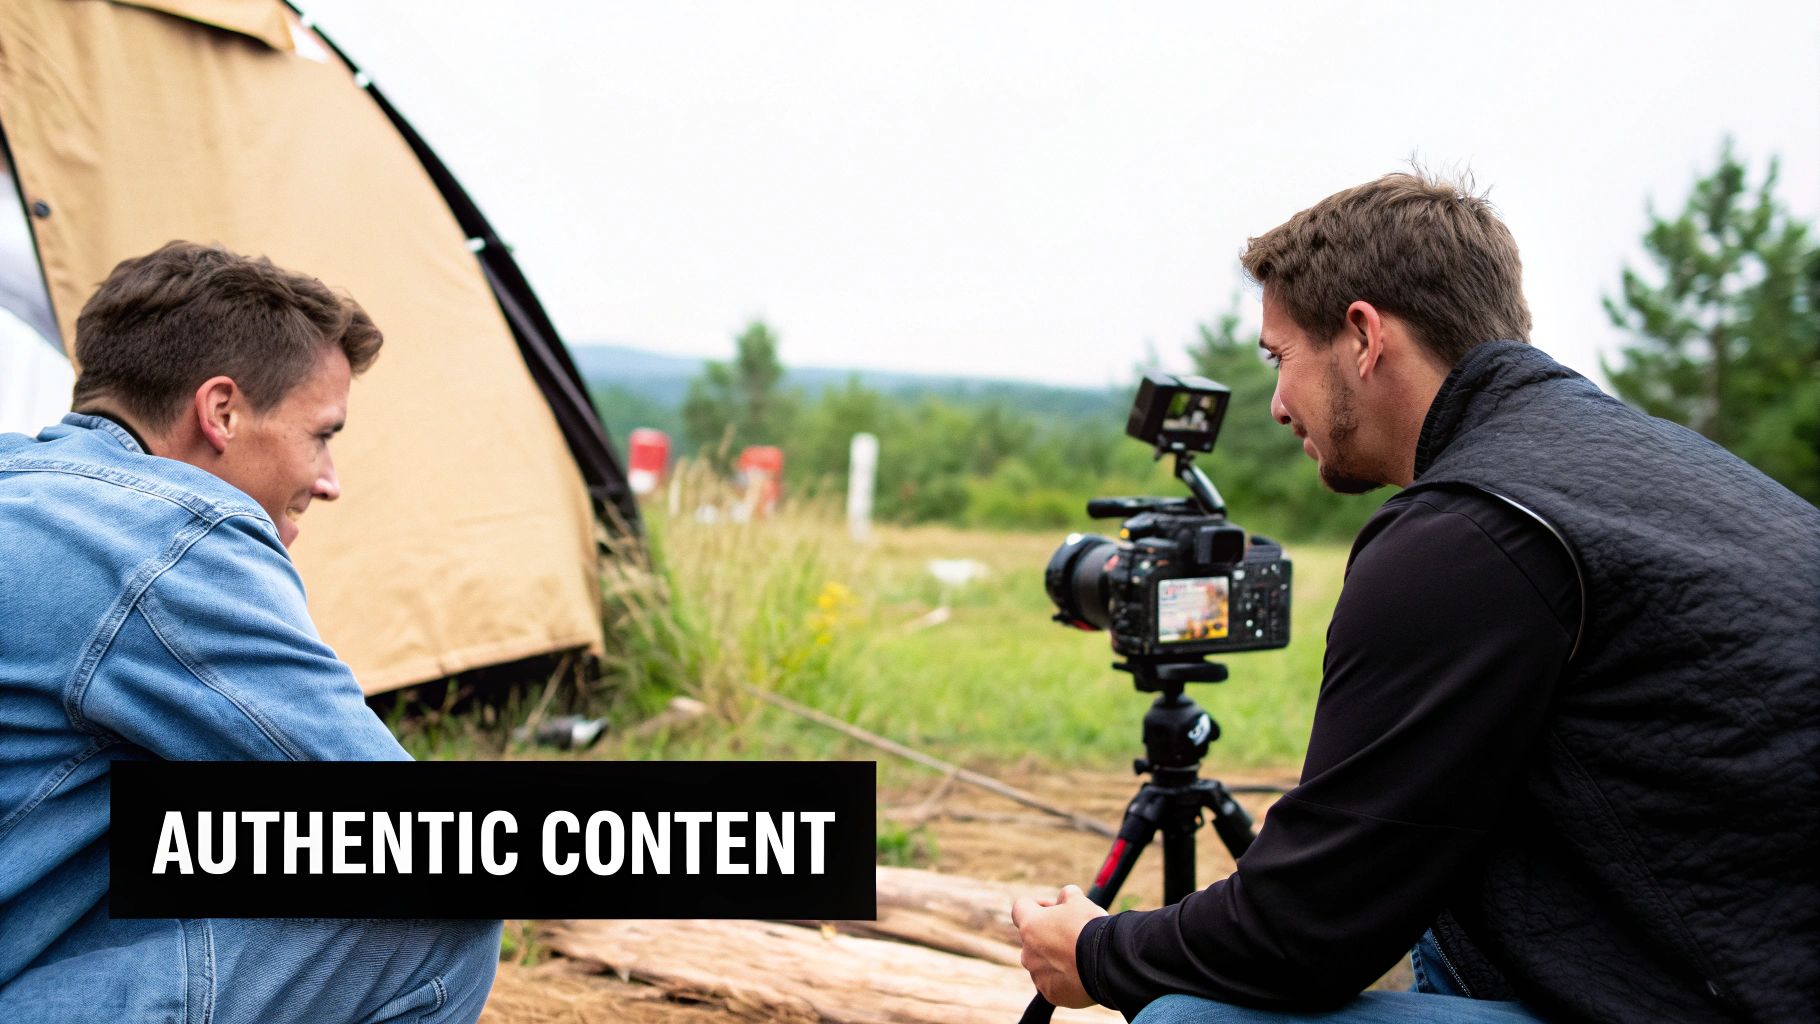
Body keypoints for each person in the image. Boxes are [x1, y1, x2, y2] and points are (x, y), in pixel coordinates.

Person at [1013, 173, 1819, 1023]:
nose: (1280, 405)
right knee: (1441, 912)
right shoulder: (1660, 466)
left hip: (1723, 997)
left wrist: (1095, 954)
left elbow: (1299, 935)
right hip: (1735, 952)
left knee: (1190, 1018)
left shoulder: (1466, 531)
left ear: (1363, 336)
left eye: (1279, 358)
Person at [0, 242, 502, 1023]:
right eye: (322, 434)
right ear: (222, 411)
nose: (328, 481)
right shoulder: (168, 535)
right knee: (431, 922)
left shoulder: (20, 487)